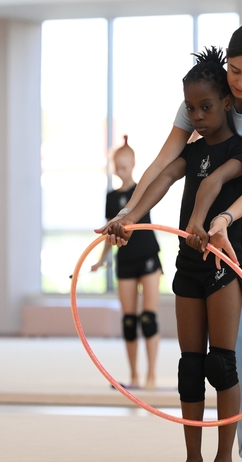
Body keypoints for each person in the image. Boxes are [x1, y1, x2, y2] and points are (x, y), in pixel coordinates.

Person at [100, 24, 242, 462]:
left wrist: (219, 219)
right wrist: (129, 214)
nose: (241, 84)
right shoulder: (209, 96)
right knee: (240, 344)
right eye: (235, 71)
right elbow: (164, 165)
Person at [109, 46, 242, 462]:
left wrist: (198, 222)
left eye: (206, 106)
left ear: (227, 103)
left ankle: (224, 460)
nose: (196, 115)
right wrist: (129, 219)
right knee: (190, 365)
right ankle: (192, 459)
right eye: (190, 107)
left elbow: (215, 182)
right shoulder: (190, 153)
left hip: (222, 263)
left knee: (221, 363)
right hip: (188, 265)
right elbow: (162, 179)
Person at [91, 136, 162, 390]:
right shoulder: (111, 197)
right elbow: (109, 234)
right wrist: (100, 262)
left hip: (148, 257)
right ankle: (134, 376)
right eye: (116, 167)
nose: (120, 172)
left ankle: (152, 376)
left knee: (148, 319)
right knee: (129, 321)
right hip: (126, 261)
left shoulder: (143, 188)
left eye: (124, 167)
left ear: (132, 164)